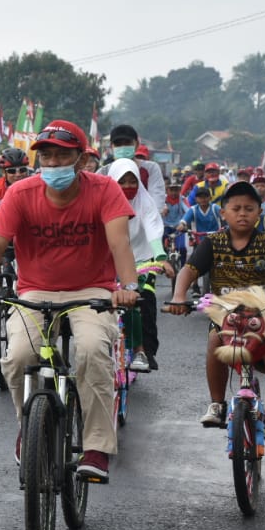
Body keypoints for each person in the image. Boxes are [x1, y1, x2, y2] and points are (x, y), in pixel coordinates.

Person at [0, 119, 140, 482]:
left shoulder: (105, 190)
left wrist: (129, 287)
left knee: (91, 351)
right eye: (48, 157)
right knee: (19, 355)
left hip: (93, 290)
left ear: (83, 159)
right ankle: (29, 425)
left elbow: (119, 242)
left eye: (63, 156)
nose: (54, 164)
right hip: (35, 292)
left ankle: (97, 447)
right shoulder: (20, 193)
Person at [163, 181, 265, 462]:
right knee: (215, 339)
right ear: (223, 213)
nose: (242, 213)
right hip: (227, 316)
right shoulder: (213, 242)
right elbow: (188, 270)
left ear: (259, 213)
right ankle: (217, 404)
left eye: (249, 209)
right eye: (236, 208)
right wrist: (179, 296)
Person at [106, 159, 174, 372]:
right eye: (122, 181)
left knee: (139, 298)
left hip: (142, 260)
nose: (128, 186)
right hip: (109, 261)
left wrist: (161, 257)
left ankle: (142, 351)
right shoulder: (102, 202)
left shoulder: (145, 202)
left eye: (132, 181)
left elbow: (153, 228)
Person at [102, 125, 165, 209]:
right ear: (111, 147)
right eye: (118, 144)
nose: (123, 147)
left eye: (127, 143)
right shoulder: (104, 172)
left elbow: (157, 198)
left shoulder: (151, 169)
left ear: (137, 144)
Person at [162, 182, 189, 267]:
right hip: (166, 226)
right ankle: (164, 263)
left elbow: (188, 211)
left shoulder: (182, 199)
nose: (174, 193)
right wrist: (162, 208)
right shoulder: (162, 199)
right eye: (171, 190)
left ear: (179, 190)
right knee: (162, 246)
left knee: (182, 248)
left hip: (178, 226)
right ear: (167, 190)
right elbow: (154, 209)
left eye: (176, 190)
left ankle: (183, 266)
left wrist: (184, 223)